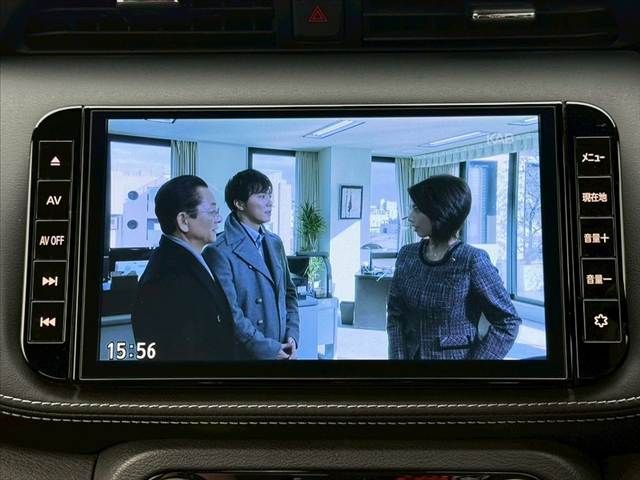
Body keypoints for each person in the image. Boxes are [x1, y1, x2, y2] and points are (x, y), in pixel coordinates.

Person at [387, 174, 521, 360]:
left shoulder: (472, 260)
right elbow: (395, 315)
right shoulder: (407, 255)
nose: (410, 217)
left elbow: (508, 321)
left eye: (417, 209)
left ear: (439, 211)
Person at [131, 175, 235, 362]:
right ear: (183, 221)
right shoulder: (168, 277)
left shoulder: (190, 259)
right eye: (212, 212)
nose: (219, 219)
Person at [203, 169, 300, 360]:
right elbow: (232, 314)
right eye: (262, 196)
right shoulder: (219, 251)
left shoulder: (275, 242)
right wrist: (268, 349)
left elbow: (289, 293)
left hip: (284, 349)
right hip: (247, 355)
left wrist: (292, 335)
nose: (270, 202)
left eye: (269, 196)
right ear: (239, 204)